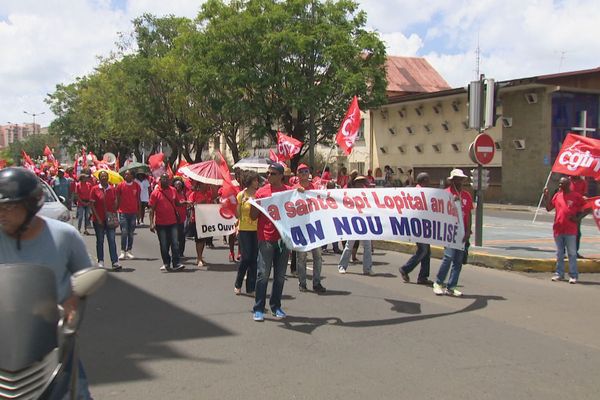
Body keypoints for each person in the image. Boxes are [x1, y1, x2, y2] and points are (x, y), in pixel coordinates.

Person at [0, 167, 94, 399]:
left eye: (9, 207)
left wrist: (73, 301)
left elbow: (85, 275)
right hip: (5, 337)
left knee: (76, 391)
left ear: (31, 204)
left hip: (52, 338)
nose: (2, 214)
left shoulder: (65, 235)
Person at [250, 162, 291, 321]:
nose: (268, 176)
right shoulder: (261, 192)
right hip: (266, 238)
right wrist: (253, 203)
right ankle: (259, 308)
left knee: (280, 276)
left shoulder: (289, 192)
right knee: (263, 274)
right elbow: (253, 216)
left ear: (281, 175)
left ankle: (276, 306)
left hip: (284, 240)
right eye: (268, 173)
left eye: (272, 173)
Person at [433, 169, 473, 297]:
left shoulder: (466, 195)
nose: (459, 181)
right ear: (452, 180)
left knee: (458, 260)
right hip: (449, 232)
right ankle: (438, 282)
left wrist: (468, 231)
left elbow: (469, 214)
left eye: (460, 179)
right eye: (456, 178)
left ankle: (451, 286)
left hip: (462, 233)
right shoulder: (445, 194)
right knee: (448, 257)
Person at [544, 176, 586, 284]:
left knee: (572, 253)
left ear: (568, 184)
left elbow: (588, 208)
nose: (559, 185)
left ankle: (573, 275)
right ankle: (559, 274)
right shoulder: (557, 195)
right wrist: (546, 196)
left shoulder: (576, 196)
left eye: (562, 184)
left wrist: (578, 218)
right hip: (558, 229)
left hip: (570, 230)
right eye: (559, 183)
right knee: (559, 253)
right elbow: (549, 208)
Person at [294, 164, 326, 293]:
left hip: (315, 227)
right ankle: (302, 283)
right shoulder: (293, 189)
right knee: (301, 257)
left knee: (317, 256)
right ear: (297, 175)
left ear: (309, 173)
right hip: (301, 228)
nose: (303, 174)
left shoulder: (315, 188)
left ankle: (316, 282)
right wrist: (297, 192)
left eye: (306, 171)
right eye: (301, 172)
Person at [399, 172, 433, 285]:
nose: (429, 182)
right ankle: (405, 268)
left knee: (427, 252)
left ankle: (423, 277)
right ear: (424, 181)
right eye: (428, 180)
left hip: (424, 226)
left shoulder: (423, 192)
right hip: (418, 226)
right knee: (423, 250)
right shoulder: (418, 193)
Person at [337, 176, 373, 275]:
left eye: (363, 182)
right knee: (349, 245)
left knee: (367, 246)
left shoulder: (367, 194)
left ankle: (367, 269)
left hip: (365, 222)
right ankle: (342, 266)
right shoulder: (350, 194)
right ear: (355, 184)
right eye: (360, 182)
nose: (362, 185)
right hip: (353, 222)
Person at [149, 174, 185, 272]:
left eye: (167, 179)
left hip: (173, 222)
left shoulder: (173, 190)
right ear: (160, 180)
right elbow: (151, 210)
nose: (165, 180)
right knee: (164, 245)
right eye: (163, 179)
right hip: (161, 224)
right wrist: (151, 223)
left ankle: (176, 263)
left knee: (175, 243)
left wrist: (185, 203)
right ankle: (166, 262)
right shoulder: (155, 193)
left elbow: (177, 203)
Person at [90, 170, 121, 270]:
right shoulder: (95, 189)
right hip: (98, 219)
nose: (104, 178)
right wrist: (98, 218)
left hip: (110, 219)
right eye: (102, 176)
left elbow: (115, 203)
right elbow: (92, 205)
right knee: (100, 240)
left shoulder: (112, 189)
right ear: (99, 178)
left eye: (105, 176)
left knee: (112, 240)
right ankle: (101, 261)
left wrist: (115, 208)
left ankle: (115, 262)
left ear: (108, 178)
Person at [234, 170, 259, 295]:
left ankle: (251, 287)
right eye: (255, 180)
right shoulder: (241, 195)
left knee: (254, 259)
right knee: (246, 258)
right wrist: (236, 205)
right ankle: (238, 283)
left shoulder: (259, 195)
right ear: (249, 181)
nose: (257, 182)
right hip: (244, 230)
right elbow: (237, 214)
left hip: (257, 230)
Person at [187, 181, 214, 267]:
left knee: (203, 239)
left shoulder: (209, 194)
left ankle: (200, 257)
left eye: (207, 184)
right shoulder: (194, 194)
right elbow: (189, 205)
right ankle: (198, 258)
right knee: (199, 239)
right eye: (205, 184)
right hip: (197, 219)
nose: (207, 185)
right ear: (200, 185)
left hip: (206, 219)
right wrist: (199, 203)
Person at [116, 170, 141, 260]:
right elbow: (117, 199)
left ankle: (129, 250)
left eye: (128, 174)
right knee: (124, 231)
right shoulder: (120, 185)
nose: (126, 175)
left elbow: (138, 200)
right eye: (125, 174)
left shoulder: (137, 186)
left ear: (132, 176)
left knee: (131, 233)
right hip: (123, 212)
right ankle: (123, 251)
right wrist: (115, 210)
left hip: (133, 212)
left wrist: (139, 213)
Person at [568, 175, 588, 258]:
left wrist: (584, 198)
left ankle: (575, 251)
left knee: (577, 232)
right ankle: (564, 252)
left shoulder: (583, 182)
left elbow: (584, 194)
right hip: (568, 209)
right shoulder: (567, 181)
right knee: (566, 232)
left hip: (578, 209)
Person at [173, 177, 188, 258]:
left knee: (182, 237)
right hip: (175, 218)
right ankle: (176, 252)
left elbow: (185, 205)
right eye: (176, 185)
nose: (178, 186)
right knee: (176, 237)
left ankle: (181, 252)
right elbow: (177, 203)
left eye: (180, 185)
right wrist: (185, 202)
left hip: (183, 218)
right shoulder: (173, 194)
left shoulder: (183, 194)